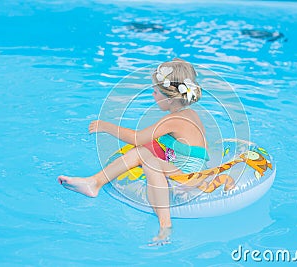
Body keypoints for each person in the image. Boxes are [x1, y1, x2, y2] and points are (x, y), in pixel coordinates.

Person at [58, 58, 209, 245]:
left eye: (155, 91)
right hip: (186, 171)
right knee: (143, 153)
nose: (153, 95)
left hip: (187, 178)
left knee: (145, 158)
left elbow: (137, 137)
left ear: (169, 97)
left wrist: (106, 126)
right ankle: (94, 182)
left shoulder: (175, 120)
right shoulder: (188, 114)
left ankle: (165, 225)